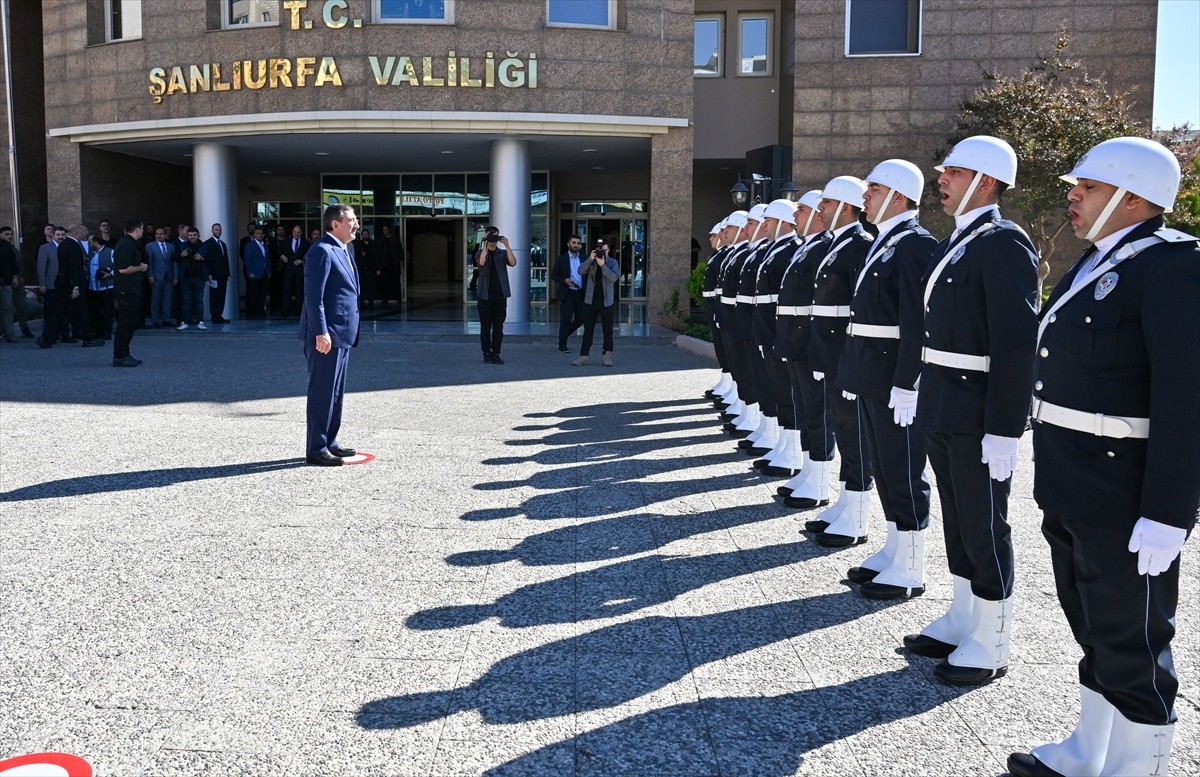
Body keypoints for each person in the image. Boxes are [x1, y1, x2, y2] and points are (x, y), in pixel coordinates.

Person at [1006, 137, 1199, 777]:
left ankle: (1139, 767)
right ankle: (1090, 750)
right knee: (1091, 622)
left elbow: (1186, 394)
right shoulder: (1094, 262)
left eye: (1086, 187)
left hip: (1124, 486)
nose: (1072, 195)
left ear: (1134, 197)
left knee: (1133, 636)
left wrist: (1171, 510)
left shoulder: (1174, 265)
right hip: (1074, 479)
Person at [905, 135, 1038, 686]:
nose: (942, 179)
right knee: (959, 520)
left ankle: (993, 635)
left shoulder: (1004, 243)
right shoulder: (961, 241)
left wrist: (1005, 429)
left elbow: (1015, 345)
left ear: (984, 181)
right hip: (944, 400)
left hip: (978, 408)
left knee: (985, 524)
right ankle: (964, 613)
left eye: (953, 173)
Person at [836, 160, 938, 599]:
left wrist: (908, 381)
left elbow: (917, 322)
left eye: (873, 189)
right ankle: (895, 547)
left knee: (903, 468)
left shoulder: (914, 245)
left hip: (892, 375)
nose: (866, 197)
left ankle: (911, 564)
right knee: (883, 463)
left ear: (898, 196)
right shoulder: (886, 241)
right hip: (871, 371)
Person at [805, 176, 876, 549]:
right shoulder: (840, 245)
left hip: (846, 354)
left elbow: (858, 309)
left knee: (854, 434)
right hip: (832, 353)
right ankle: (846, 501)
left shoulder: (860, 245)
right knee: (845, 430)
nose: (821, 211)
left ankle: (857, 513)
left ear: (846, 208)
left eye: (827, 205)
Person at [299, 204, 361, 466]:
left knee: (336, 392)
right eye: (352, 220)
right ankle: (316, 447)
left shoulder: (344, 249)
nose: (356, 224)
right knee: (323, 391)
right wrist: (321, 332)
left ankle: (330, 442)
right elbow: (314, 297)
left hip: (343, 334)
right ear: (335, 224)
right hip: (326, 335)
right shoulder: (322, 251)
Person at [571, 241, 619, 367]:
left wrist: (603, 265)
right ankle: (584, 356)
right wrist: (589, 259)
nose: (601, 253)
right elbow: (580, 271)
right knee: (588, 330)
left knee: (607, 330)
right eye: (599, 250)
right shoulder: (591, 262)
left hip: (606, 302)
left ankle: (607, 356)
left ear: (608, 251)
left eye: (604, 251)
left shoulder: (612, 263)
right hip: (590, 301)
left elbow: (613, 278)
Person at [475, 232, 516, 364]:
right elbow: (481, 262)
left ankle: (496, 353)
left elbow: (513, 262)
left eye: (495, 237)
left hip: (500, 295)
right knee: (485, 326)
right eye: (490, 238)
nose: (493, 241)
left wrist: (507, 246)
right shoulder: (480, 252)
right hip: (484, 296)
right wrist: (485, 243)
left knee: (498, 326)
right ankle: (486, 352)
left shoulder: (502, 253)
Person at [112, 218, 147, 367]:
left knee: (129, 323)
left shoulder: (130, 243)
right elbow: (123, 268)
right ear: (137, 229)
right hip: (126, 290)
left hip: (131, 289)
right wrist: (141, 268)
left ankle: (124, 353)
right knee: (125, 324)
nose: (143, 231)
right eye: (142, 228)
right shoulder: (126, 244)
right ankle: (120, 356)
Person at [551, 234, 586, 354]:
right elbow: (554, 275)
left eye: (578, 243)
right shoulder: (562, 259)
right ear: (568, 244)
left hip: (580, 293)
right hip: (568, 293)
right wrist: (564, 280)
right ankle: (562, 345)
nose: (576, 245)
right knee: (566, 319)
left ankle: (564, 335)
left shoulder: (584, 258)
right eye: (574, 243)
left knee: (581, 318)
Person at [175, 228, 208, 330]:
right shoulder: (182, 246)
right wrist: (181, 255)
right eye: (190, 235)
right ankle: (184, 322)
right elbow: (173, 257)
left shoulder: (203, 246)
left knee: (199, 301)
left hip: (199, 278)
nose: (192, 237)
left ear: (198, 235)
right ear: (187, 236)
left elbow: (210, 259)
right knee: (186, 302)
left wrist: (202, 258)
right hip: (185, 278)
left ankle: (200, 322)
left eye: (194, 235)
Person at [86, 233, 115, 341]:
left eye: (90, 242)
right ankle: (97, 331)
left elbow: (119, 265)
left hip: (106, 287)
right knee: (95, 311)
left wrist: (110, 273)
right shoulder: (90, 254)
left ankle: (107, 332)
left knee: (107, 311)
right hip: (93, 287)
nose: (88, 244)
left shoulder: (110, 252)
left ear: (96, 243)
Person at [146, 227, 175, 327]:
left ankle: (166, 319)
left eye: (161, 234)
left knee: (167, 299)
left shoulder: (171, 246)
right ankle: (155, 320)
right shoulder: (150, 246)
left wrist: (175, 276)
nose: (159, 235)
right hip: (156, 276)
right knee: (156, 299)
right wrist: (150, 276)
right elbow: (149, 262)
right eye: (157, 234)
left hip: (168, 276)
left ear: (165, 235)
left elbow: (173, 261)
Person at [203, 223, 230, 324]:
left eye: (219, 230)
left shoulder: (223, 244)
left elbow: (225, 260)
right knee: (214, 295)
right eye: (216, 230)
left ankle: (219, 314)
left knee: (222, 295)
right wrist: (208, 273)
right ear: (212, 230)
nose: (218, 231)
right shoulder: (208, 243)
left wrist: (228, 273)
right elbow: (205, 260)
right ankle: (214, 316)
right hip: (213, 274)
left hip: (223, 275)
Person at [242, 225, 270, 319]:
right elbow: (247, 259)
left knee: (262, 294)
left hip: (263, 273)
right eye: (258, 233)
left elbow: (267, 259)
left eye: (261, 233)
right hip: (254, 273)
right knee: (253, 294)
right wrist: (250, 272)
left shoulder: (264, 245)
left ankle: (260, 312)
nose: (260, 235)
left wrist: (268, 272)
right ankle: (252, 313)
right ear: (254, 235)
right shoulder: (249, 245)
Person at [0, 226, 21, 343]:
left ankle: (9, 333)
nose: (10, 236)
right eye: (6, 234)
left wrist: (15, 275)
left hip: (6, 282)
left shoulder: (9, 247)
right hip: (4, 280)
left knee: (7, 307)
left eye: (11, 234)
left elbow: (14, 264)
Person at [282, 225, 308, 314]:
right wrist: (281, 256)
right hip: (289, 269)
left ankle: (299, 311)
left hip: (300, 270)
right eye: (294, 232)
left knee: (299, 290)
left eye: (298, 232)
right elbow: (280, 251)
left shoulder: (305, 242)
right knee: (286, 289)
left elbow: (309, 255)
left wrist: (302, 260)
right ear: (292, 232)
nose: (296, 234)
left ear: (301, 233)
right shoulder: (287, 241)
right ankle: (285, 310)